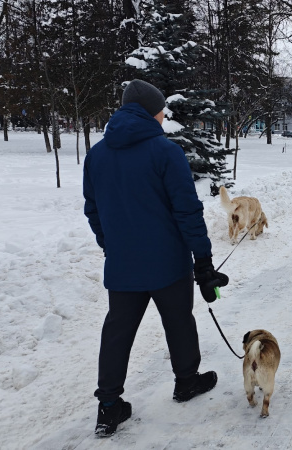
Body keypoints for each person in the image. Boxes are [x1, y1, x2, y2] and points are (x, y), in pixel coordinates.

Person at [83, 79, 229, 438]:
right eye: (162, 111)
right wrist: (204, 261)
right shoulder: (166, 152)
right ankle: (186, 382)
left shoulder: (96, 154)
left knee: (117, 332)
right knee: (179, 321)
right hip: (167, 264)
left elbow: (93, 210)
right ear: (153, 111)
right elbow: (187, 211)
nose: (164, 117)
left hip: (122, 266)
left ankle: (109, 406)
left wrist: (111, 245)